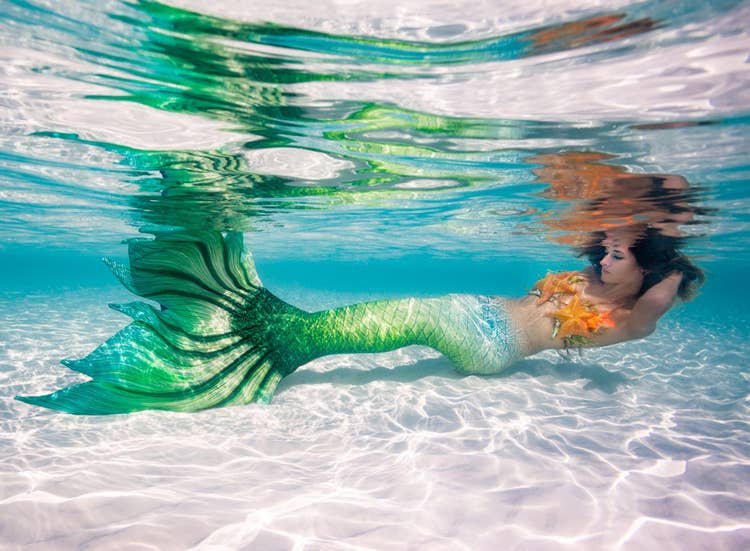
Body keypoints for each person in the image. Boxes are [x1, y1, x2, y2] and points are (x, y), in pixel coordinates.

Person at [16, 226, 704, 415]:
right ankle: (287, 335)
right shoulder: (583, 280)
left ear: (648, 269)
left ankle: (288, 337)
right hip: (479, 319)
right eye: (605, 248)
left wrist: (674, 269)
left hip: (490, 341)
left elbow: (651, 313)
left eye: (621, 252)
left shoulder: (625, 317)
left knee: (413, 310)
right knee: (415, 310)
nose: (605, 255)